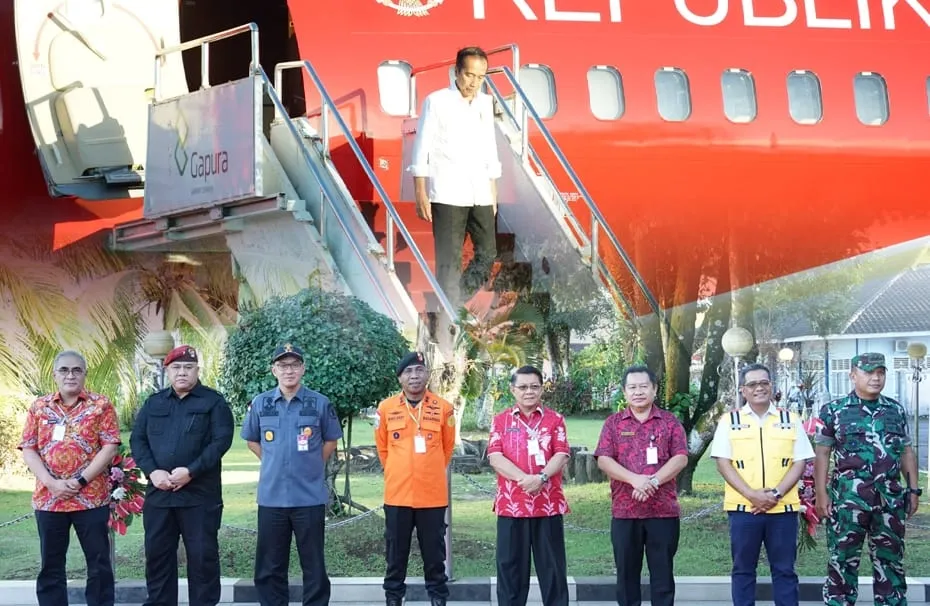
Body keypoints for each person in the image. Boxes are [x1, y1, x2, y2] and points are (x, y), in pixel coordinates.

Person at [130, 345, 234, 606]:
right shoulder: (154, 403)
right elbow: (138, 440)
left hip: (200, 497)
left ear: (197, 370)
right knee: (158, 558)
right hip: (160, 495)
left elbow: (220, 442)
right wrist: (152, 472)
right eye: (176, 367)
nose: (182, 372)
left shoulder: (214, 402)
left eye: (188, 367)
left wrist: (191, 471)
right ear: (167, 371)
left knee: (203, 560)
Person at [814, 352, 920, 606]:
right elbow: (822, 453)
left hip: (890, 500)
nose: (876, 378)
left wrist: (913, 489)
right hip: (848, 500)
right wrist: (821, 494)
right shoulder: (834, 410)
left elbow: (906, 451)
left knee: (890, 561)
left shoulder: (894, 409)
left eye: (880, 372)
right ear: (853, 376)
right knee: (841, 561)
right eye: (869, 372)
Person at [241, 343, 343, 606]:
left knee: (314, 566)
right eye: (283, 365)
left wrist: (310, 463)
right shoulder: (261, 403)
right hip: (272, 498)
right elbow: (252, 439)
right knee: (269, 567)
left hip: (308, 497)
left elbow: (331, 440)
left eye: (295, 365)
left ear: (303, 369)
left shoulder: (319, 403)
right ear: (274, 370)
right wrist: (274, 461)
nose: (289, 370)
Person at [18, 351, 121, 606]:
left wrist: (81, 481)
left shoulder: (101, 405)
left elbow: (110, 446)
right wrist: (51, 483)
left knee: (99, 565)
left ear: (85, 374)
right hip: (49, 500)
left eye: (77, 370)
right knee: (51, 566)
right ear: (55, 374)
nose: (70, 375)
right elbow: (28, 447)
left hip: (91, 499)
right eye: (64, 370)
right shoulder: (39, 407)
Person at [710, 363, 814, 606]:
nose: (759, 388)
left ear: (771, 386)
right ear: (743, 390)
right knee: (743, 570)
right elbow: (723, 464)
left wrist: (775, 494)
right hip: (743, 510)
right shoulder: (729, 421)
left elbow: (799, 463)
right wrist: (752, 495)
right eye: (753, 384)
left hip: (783, 510)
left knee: (784, 570)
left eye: (764, 383)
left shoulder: (791, 419)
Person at [409, 45, 501, 308]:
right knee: (449, 261)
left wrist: (493, 193)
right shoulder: (436, 101)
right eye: (470, 75)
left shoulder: (485, 102)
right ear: (456, 72)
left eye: (481, 77)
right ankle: (449, 315)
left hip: (480, 191)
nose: (474, 82)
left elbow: (489, 147)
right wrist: (420, 192)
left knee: (487, 254)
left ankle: (453, 303)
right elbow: (422, 147)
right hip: (448, 192)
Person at [594, 365, 688, 606]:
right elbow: (604, 459)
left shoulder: (669, 422)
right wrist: (634, 479)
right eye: (632, 387)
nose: (638, 392)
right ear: (624, 392)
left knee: (663, 576)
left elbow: (680, 457)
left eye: (644, 386)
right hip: (625, 512)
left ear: (654, 390)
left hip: (663, 512)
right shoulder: (613, 423)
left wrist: (653, 481)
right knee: (626, 577)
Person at [374, 351, 455, 606]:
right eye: (408, 372)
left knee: (434, 553)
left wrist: (426, 471)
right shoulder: (386, 408)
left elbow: (447, 448)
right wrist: (401, 472)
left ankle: (438, 596)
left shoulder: (443, 408)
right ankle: (394, 596)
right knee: (395, 552)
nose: (414, 376)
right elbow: (383, 449)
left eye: (419, 370)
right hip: (397, 494)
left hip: (432, 495)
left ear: (427, 375)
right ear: (400, 378)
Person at [487, 365, 571, 606]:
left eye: (534, 386)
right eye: (522, 387)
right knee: (510, 574)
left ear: (542, 389)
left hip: (548, 507)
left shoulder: (555, 420)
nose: (529, 392)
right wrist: (525, 479)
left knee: (553, 572)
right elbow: (495, 456)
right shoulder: (501, 420)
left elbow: (562, 453)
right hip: (511, 507)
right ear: (513, 390)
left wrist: (541, 478)